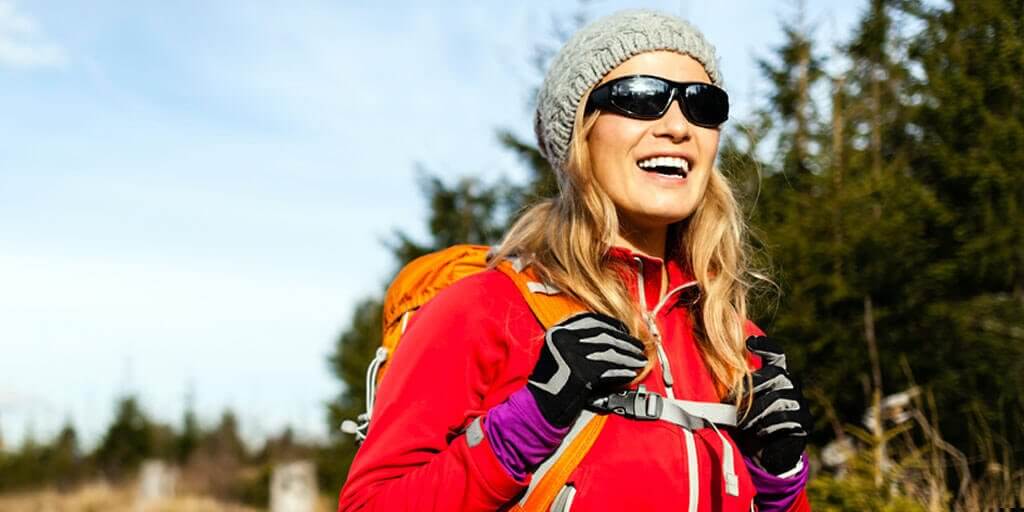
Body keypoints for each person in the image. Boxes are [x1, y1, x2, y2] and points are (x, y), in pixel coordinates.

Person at [338, 9, 812, 512]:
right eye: (641, 98)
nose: (677, 126)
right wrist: (528, 420)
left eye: (703, 104)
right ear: (577, 136)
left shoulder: (736, 343)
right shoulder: (482, 310)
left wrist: (780, 482)